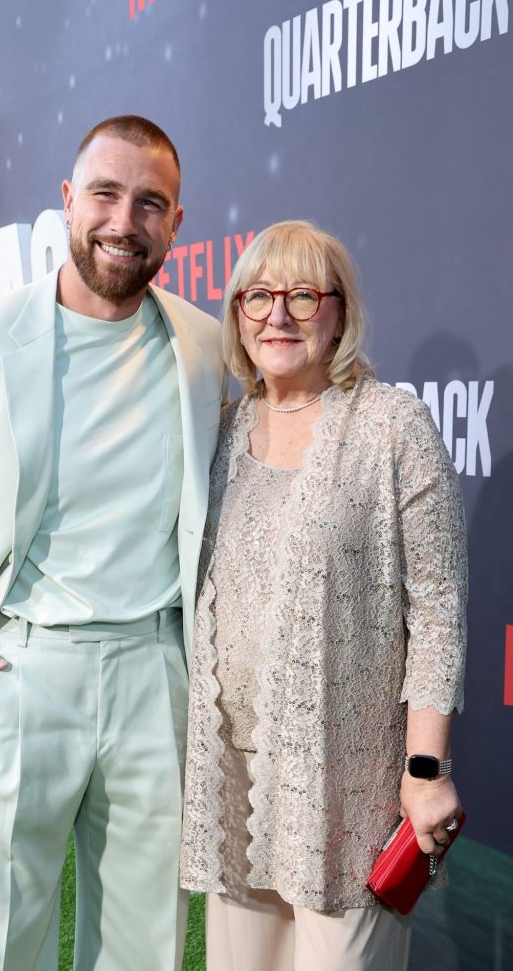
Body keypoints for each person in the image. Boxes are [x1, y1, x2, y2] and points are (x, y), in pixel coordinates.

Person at [0, 115, 226, 971]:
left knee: (147, 946)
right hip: (16, 670)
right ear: (67, 200)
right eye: (105, 193)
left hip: (153, 676)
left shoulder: (208, 346)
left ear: (176, 223)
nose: (123, 220)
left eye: (150, 203)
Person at [180, 220, 467, 971]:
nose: (278, 315)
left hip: (350, 794)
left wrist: (426, 770)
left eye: (304, 296)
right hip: (238, 789)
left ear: (340, 312)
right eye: (259, 296)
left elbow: (437, 610)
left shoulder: (391, 424)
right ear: (237, 311)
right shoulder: (218, 431)